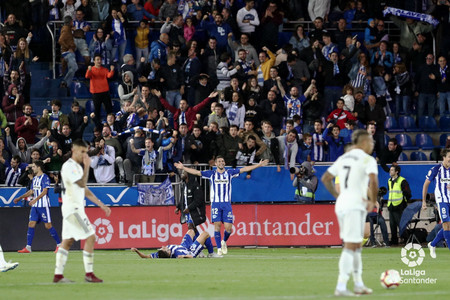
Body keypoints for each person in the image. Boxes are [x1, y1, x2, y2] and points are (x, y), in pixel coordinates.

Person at [321, 129, 378, 296]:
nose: (372, 145)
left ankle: (358, 283)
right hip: (354, 205)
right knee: (351, 246)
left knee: (356, 245)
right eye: (370, 141)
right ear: (363, 142)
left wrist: (339, 196)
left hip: (343, 204)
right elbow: (374, 181)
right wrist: (373, 200)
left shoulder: (343, 158)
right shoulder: (367, 160)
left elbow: (326, 178)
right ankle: (341, 285)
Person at [175, 157, 268, 256]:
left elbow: (244, 169)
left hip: (226, 204)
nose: (221, 163)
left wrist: (258, 165)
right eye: (219, 161)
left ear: (224, 163)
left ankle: (223, 241)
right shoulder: (211, 174)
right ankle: (219, 248)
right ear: (215, 164)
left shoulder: (230, 173)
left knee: (228, 229)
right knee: (217, 226)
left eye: (223, 161)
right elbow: (197, 172)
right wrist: (183, 167)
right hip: (216, 204)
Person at [53, 139, 111, 283]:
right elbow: (81, 182)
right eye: (82, 152)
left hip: (71, 209)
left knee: (67, 241)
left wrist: (101, 204)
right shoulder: (69, 166)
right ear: (74, 150)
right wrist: (87, 167)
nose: (85, 155)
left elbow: (84, 189)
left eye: (86, 152)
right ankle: (89, 274)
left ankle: (58, 275)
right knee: (91, 237)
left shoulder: (77, 168)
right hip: (74, 209)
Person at [13, 161, 61, 253]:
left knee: (48, 225)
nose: (33, 168)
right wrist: (19, 197)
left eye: (34, 166)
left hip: (43, 205)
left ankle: (59, 245)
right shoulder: (34, 179)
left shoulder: (45, 178)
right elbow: (31, 191)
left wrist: (35, 199)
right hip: (35, 206)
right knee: (31, 224)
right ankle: (28, 247)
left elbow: (45, 191)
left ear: (39, 167)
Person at [423, 148, 450, 259]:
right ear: (443, 157)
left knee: (448, 227)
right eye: (449, 157)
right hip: (442, 200)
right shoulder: (436, 169)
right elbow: (425, 185)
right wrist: (424, 201)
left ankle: (432, 244)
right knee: (446, 225)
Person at [131, 229, 216, 259]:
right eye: (164, 248)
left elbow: (145, 256)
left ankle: (200, 246)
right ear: (168, 252)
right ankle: (211, 253)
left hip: (183, 245)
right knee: (205, 234)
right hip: (190, 250)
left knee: (191, 231)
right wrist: (184, 256)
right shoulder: (178, 254)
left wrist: (137, 251)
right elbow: (191, 256)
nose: (163, 246)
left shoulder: (159, 255)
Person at [85, 54, 115, 127]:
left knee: (109, 109)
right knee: (97, 110)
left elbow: (109, 75)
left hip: (105, 92)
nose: (99, 61)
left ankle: (111, 124)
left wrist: (112, 70)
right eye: (97, 59)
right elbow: (87, 76)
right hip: (96, 93)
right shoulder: (91, 69)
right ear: (94, 61)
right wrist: (89, 70)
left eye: (100, 59)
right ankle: (98, 125)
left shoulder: (104, 69)